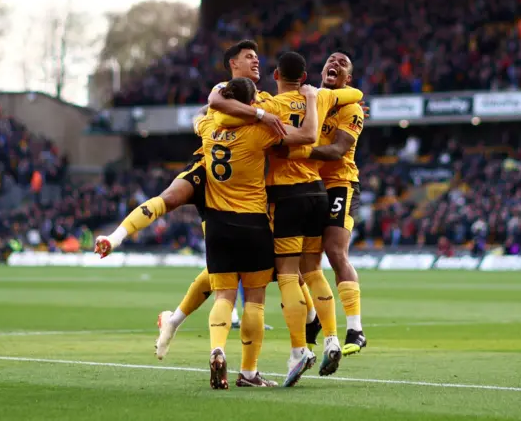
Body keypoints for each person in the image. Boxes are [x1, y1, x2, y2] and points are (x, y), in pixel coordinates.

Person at [93, 40, 282, 359]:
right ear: (233, 64)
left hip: (224, 174)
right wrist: (263, 114)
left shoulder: (228, 108)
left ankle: (174, 320)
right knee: (173, 203)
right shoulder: (232, 92)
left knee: (215, 271)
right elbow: (216, 103)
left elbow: (206, 115)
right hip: (220, 182)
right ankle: (117, 237)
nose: (256, 62)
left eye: (257, 58)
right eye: (249, 57)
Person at [213, 51, 363, 384]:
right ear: (306, 76)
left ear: (277, 73)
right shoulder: (319, 98)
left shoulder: (270, 105)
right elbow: (355, 94)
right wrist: (312, 95)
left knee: (287, 275)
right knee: (313, 269)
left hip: (285, 196)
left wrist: (259, 113)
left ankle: (299, 349)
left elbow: (223, 112)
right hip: (317, 192)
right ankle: (332, 338)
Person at [198, 77, 319, 389]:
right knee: (254, 301)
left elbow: (200, 115)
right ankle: (249, 373)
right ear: (251, 103)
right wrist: (312, 100)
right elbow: (307, 135)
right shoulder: (260, 131)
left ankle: (217, 349)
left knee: (224, 295)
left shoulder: (208, 127)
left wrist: (220, 102)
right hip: (253, 222)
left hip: (216, 223)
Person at [287, 51, 368, 356]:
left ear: (348, 79)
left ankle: (356, 330)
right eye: (330, 61)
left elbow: (338, 150)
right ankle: (313, 318)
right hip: (309, 186)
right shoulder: (311, 100)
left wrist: (300, 153)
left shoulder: (352, 109)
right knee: (299, 262)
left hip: (340, 185)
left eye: (343, 63)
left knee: (335, 251)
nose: (334, 64)